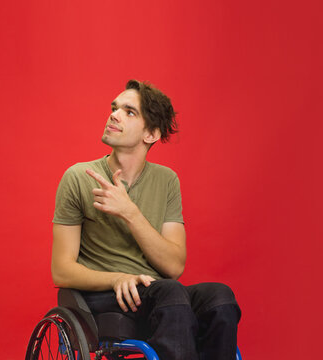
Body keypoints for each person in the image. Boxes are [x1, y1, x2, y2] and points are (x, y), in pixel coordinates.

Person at [51, 80, 240, 360]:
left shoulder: (166, 181)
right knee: (169, 292)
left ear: (151, 134)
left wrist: (130, 212)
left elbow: (173, 266)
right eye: (114, 108)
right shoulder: (79, 177)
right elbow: (61, 270)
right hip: (104, 295)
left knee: (220, 298)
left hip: (158, 294)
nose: (113, 114)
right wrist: (117, 278)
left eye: (129, 112)